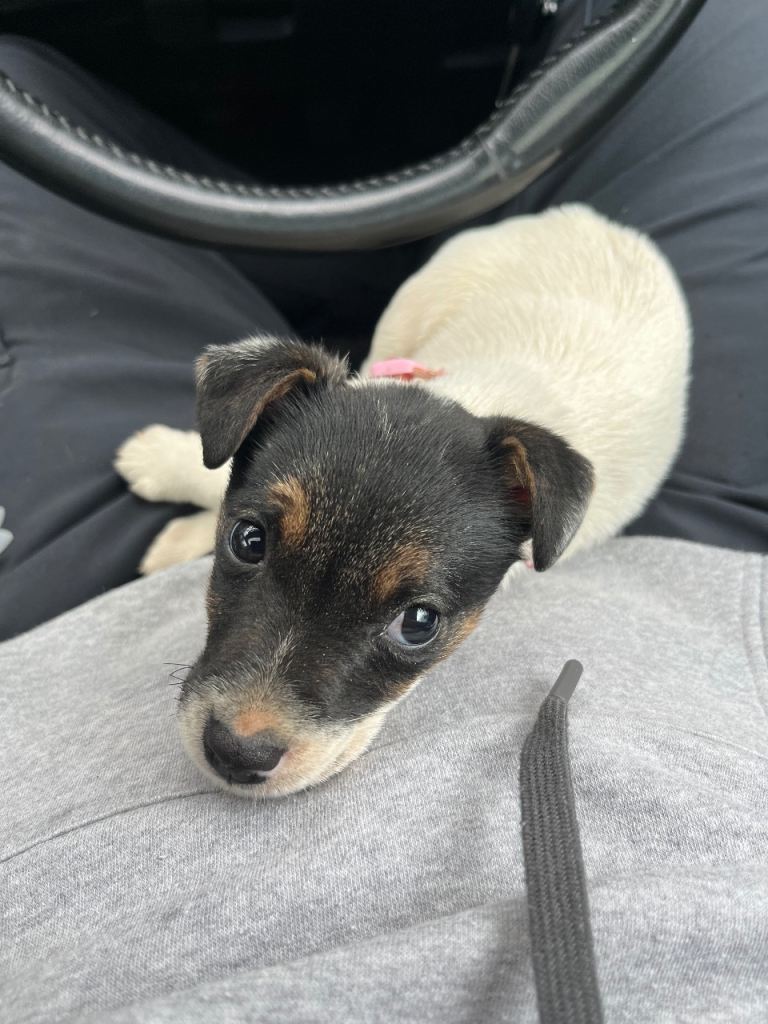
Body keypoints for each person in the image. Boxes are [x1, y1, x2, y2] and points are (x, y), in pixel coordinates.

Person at [0, 2, 766, 1021]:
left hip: (566, 297)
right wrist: (228, 486)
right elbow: (358, 431)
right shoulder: (337, 422)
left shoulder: (527, 496)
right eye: (252, 539)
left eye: (415, 622)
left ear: (523, 551)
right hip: (495, 285)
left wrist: (229, 530)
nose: (249, 727)